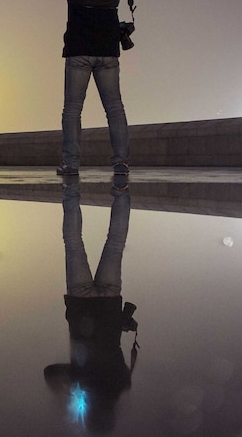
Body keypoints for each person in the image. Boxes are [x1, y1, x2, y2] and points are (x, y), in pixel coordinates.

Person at [44, 178, 138, 434]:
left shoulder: (122, 384)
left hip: (108, 302)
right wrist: (67, 394)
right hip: (80, 301)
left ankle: (121, 189)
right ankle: (71, 187)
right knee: (73, 241)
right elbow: (49, 372)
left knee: (116, 241)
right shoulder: (80, 383)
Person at [42, 0, 131, 176]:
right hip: (108, 49)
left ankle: (71, 164)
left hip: (79, 48)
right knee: (115, 107)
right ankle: (121, 162)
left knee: (72, 108)